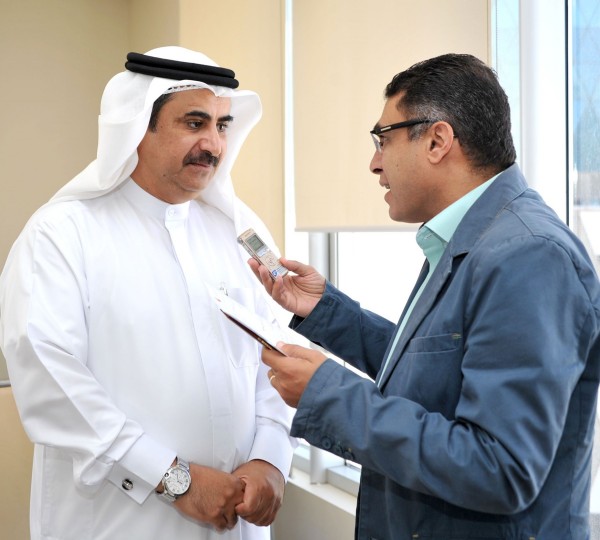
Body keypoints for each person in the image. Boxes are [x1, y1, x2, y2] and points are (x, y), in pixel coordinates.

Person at [251, 53, 600, 539]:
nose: (374, 163)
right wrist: (324, 310)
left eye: (383, 139)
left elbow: (500, 467)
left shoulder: (527, 255)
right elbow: (435, 369)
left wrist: (328, 394)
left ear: (437, 140)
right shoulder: (475, 238)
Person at [0, 46, 296, 540]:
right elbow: (51, 381)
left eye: (222, 125)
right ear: (138, 126)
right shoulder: (61, 234)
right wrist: (173, 479)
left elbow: (282, 353)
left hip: (238, 524)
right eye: (194, 123)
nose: (213, 144)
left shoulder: (244, 232)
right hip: (118, 523)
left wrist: (271, 458)